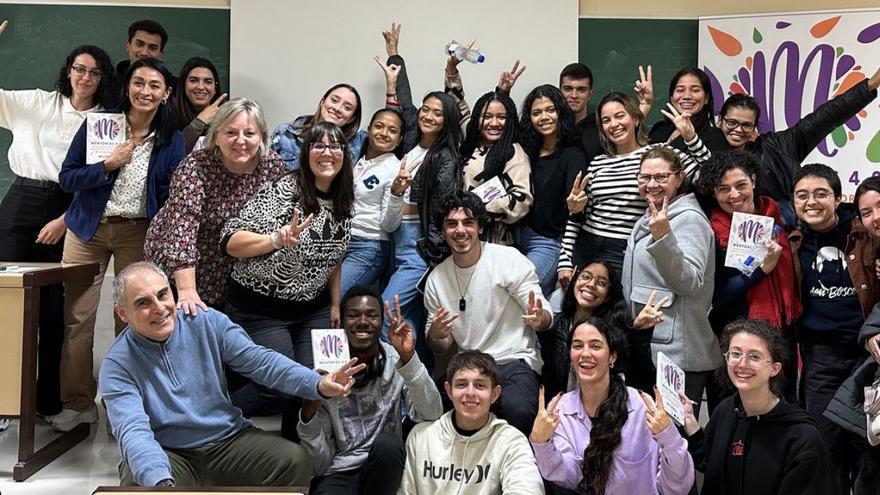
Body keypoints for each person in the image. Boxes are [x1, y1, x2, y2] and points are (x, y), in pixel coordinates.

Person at [99, 262, 365, 488]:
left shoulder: (204, 321)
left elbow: (261, 362)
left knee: (294, 461)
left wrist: (317, 383)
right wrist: (160, 482)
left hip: (227, 441)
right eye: (143, 303)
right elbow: (133, 431)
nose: (159, 308)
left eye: (163, 294)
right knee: (137, 481)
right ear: (122, 313)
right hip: (169, 452)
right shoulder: (117, 364)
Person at [57, 57, 185, 432]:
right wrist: (107, 165)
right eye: (139, 82)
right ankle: (78, 403)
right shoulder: (101, 125)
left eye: (155, 86)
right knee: (77, 320)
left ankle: (125, 405)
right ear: (127, 85)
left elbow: (170, 195)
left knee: (131, 321)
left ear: (166, 94)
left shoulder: (171, 137)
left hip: (138, 232)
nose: (146, 91)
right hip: (87, 231)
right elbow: (68, 178)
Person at [0, 20, 114, 424]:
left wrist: (67, 219)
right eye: (79, 69)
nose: (85, 77)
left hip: (71, 208)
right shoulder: (35, 102)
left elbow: (102, 178)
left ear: (103, 79)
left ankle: (47, 402)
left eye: (94, 72)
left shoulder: (107, 121)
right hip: (22, 201)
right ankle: (5, 402)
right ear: (68, 71)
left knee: (53, 313)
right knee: (8, 301)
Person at [222, 122, 353, 437]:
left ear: (345, 155)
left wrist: (335, 303)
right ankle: (215, 407)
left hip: (313, 308)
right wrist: (275, 240)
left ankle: (299, 449)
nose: (327, 152)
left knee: (317, 381)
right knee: (281, 389)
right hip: (262, 309)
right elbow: (230, 241)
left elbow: (333, 254)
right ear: (306, 152)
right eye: (318, 145)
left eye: (335, 146)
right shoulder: (284, 190)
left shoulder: (345, 198)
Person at [424, 190, 551, 435]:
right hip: (469, 366)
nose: (460, 230)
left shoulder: (506, 259)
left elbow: (544, 313)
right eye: (451, 224)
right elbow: (439, 345)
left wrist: (539, 318)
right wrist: (437, 335)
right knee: (429, 411)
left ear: (480, 227)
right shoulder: (436, 278)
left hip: (513, 361)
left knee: (519, 411)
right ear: (443, 231)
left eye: (468, 222)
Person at [145, 98, 286, 312]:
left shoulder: (273, 166)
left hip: (234, 267)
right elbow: (183, 231)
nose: (240, 141)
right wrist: (187, 291)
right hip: (181, 266)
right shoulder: (195, 167)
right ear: (216, 136)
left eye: (249, 133)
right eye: (230, 133)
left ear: (262, 137)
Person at [298, 286, 442, 495]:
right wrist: (309, 411)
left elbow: (432, 412)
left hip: (384, 466)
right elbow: (319, 464)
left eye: (372, 315)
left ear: (381, 323)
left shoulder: (396, 359)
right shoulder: (325, 373)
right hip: (339, 471)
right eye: (353, 315)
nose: (363, 321)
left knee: (389, 444)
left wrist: (409, 358)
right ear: (342, 322)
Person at [789, 164, 880, 494]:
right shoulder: (793, 241)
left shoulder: (865, 232)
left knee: (869, 447)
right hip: (820, 359)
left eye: (820, 194)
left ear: (837, 197)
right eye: (802, 195)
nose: (811, 201)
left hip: (867, 357)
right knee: (824, 447)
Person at [530, 317, 693, 495]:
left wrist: (668, 436)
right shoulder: (561, 409)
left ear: (612, 356)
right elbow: (569, 477)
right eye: (577, 346)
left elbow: (679, 487)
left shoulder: (641, 405)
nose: (585, 354)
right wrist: (541, 443)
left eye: (595, 346)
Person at [559, 92, 710, 282]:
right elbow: (577, 217)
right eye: (606, 120)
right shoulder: (597, 162)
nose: (613, 124)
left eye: (620, 116)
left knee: (618, 310)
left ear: (636, 119)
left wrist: (691, 137)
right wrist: (564, 262)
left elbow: (711, 177)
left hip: (626, 248)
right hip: (586, 246)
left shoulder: (659, 154)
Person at [693, 150, 800, 406]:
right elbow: (717, 295)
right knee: (733, 408)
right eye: (723, 189)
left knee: (778, 405)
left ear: (753, 180)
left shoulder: (779, 216)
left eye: (740, 185)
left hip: (780, 331)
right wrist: (761, 269)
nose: (734, 195)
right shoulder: (711, 231)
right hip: (732, 330)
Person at [681, 319, 837, 495]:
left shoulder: (801, 437)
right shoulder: (726, 410)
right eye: (735, 354)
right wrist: (690, 422)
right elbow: (709, 461)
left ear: (774, 369)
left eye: (754, 356)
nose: (742, 363)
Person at [622, 146, 720, 413]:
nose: (651, 184)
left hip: (678, 354)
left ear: (680, 177)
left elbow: (690, 282)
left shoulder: (689, 219)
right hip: (651, 345)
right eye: (644, 177)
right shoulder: (651, 215)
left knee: (674, 440)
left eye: (661, 177)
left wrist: (663, 236)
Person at [717, 66, 879, 225]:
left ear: (754, 129)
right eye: (732, 122)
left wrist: (870, 85)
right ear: (720, 121)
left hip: (790, 234)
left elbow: (825, 117)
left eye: (746, 125)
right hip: (727, 239)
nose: (738, 129)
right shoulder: (706, 154)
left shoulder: (778, 146)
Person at [398, 350, 545, 495]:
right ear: (449, 391)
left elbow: (529, 490)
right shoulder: (421, 436)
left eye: (480, 385)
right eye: (461, 384)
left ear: (494, 394)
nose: (470, 393)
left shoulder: (511, 441)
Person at [543, 259, 664, 398]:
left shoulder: (618, 331)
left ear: (608, 295)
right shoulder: (557, 325)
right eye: (586, 277)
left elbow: (642, 378)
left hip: (609, 411)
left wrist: (639, 332)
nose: (591, 285)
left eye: (601, 283)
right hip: (562, 411)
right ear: (575, 280)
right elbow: (549, 379)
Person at [517, 84, 587, 295]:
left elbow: (576, 212)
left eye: (550, 110)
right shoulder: (525, 151)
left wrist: (576, 206)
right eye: (537, 112)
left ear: (561, 112)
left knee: (522, 294)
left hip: (548, 243)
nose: (544, 117)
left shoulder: (573, 155)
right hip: (515, 237)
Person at [459, 90, 531, 245]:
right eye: (487, 116)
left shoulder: (513, 152)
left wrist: (476, 209)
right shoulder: (471, 144)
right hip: (461, 233)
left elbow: (522, 199)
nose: (494, 123)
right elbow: (460, 110)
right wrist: (452, 73)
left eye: (502, 117)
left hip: (494, 240)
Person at [558, 63, 653, 163]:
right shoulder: (551, 128)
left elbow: (625, 137)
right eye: (568, 89)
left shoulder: (602, 127)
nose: (574, 95)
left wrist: (644, 107)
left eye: (581, 89)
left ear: (589, 94)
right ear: (560, 91)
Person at [271, 83, 365, 170]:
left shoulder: (357, 143)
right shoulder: (286, 133)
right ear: (322, 102)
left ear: (352, 118)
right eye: (334, 100)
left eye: (347, 108)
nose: (337, 108)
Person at [649, 67, 726, 152]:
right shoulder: (659, 129)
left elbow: (713, 165)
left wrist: (691, 139)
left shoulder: (716, 138)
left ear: (706, 98)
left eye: (695, 90)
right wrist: (644, 108)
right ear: (672, 98)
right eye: (680, 90)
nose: (687, 96)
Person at [110, 20, 173, 106]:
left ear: (161, 54)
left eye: (153, 48)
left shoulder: (175, 88)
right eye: (139, 44)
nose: (144, 53)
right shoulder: (108, 82)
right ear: (128, 45)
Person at [172, 56, 227, 153]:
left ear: (215, 87)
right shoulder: (169, 114)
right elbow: (173, 154)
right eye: (193, 81)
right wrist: (199, 122)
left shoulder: (227, 117)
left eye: (208, 82)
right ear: (184, 85)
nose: (201, 87)